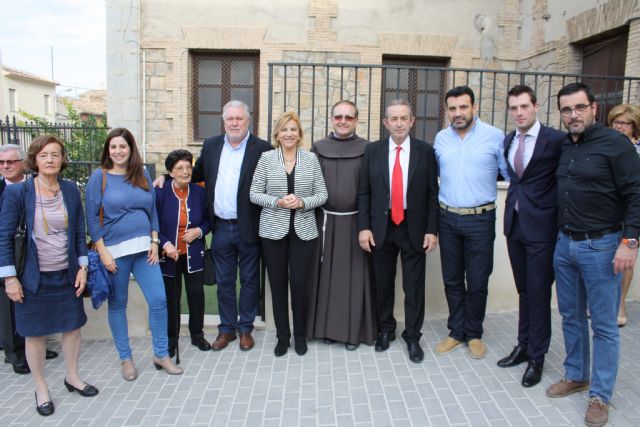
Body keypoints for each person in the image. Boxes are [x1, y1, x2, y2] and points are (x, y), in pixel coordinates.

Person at [547, 83, 640, 427]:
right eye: (567, 109)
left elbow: (636, 193)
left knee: (603, 326)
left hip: (603, 247)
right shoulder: (563, 147)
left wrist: (629, 242)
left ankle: (600, 394)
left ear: (594, 108)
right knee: (571, 316)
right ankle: (576, 375)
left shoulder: (616, 144)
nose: (573, 114)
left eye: (579, 107)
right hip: (565, 244)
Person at [154, 100, 271, 352]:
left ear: (248, 120)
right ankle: (227, 328)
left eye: (239, 118)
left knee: (250, 280)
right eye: (230, 119)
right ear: (223, 120)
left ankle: (246, 328)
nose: (234, 123)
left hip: (249, 226)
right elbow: (194, 174)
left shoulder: (262, 149)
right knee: (224, 280)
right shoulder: (212, 145)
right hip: (220, 227)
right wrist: (165, 176)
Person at [0, 135, 98, 417]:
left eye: (55, 154)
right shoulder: (19, 192)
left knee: (72, 328)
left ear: (62, 159)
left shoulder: (68, 190)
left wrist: (82, 266)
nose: (50, 160)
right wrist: (10, 278)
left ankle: (72, 377)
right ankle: (41, 387)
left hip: (66, 274)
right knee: (35, 334)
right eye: (44, 155)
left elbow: (79, 230)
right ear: (35, 160)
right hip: (32, 278)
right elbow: (4, 237)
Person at [86, 128, 182, 380]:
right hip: (115, 253)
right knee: (118, 305)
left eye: (123, 146)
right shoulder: (100, 177)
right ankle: (125, 358)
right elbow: (92, 219)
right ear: (108, 150)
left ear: (131, 149)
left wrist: (154, 242)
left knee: (159, 300)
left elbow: (152, 211)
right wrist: (103, 252)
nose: (118, 151)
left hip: (145, 251)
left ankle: (161, 354)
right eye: (113, 147)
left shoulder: (141, 175)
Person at [358, 99, 439, 363]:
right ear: (385, 123)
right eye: (394, 118)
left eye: (404, 118)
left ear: (412, 121)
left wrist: (432, 230)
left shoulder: (425, 152)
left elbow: (431, 194)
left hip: (413, 228)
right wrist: (364, 228)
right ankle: (386, 330)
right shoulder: (373, 151)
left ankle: (413, 336)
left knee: (414, 287)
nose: (399, 123)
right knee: (383, 283)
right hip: (381, 228)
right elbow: (364, 192)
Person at [497, 85, 565, 388]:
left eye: (524, 106)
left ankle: (538, 356)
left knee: (538, 294)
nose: (519, 112)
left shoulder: (555, 140)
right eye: (514, 108)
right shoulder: (509, 139)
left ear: (536, 106)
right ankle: (523, 346)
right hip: (515, 225)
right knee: (524, 290)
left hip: (542, 229)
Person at [433, 86, 508, 359]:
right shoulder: (441, 139)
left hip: (481, 218)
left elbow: (510, 173)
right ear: (447, 111)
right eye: (452, 108)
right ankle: (456, 331)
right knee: (452, 279)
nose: (458, 113)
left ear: (473, 107)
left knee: (477, 280)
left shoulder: (495, 136)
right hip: (447, 217)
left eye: (463, 107)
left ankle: (474, 333)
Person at [250, 111, 328, 357]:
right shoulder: (266, 159)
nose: (289, 134)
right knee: (278, 284)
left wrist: (302, 203)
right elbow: (254, 193)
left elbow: (322, 195)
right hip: (272, 231)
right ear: (277, 134)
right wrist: (278, 202)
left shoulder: (311, 160)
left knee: (299, 284)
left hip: (304, 231)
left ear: (299, 134)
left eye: (293, 129)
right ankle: (282, 336)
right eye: (284, 129)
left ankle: (300, 335)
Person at [307, 100, 376, 350]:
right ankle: (327, 329)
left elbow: (373, 188)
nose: (343, 121)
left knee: (355, 279)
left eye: (348, 117)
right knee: (326, 278)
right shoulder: (318, 147)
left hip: (358, 223)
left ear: (356, 120)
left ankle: (353, 333)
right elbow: (309, 183)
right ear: (331, 118)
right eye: (339, 117)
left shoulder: (368, 148)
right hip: (324, 222)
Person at [0, 144, 59, 375]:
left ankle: (33, 347)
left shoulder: (35, 185)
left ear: (24, 163)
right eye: (2, 162)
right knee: (7, 305)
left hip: (34, 253)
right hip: (7, 252)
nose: (6, 166)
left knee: (32, 301)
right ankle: (14, 353)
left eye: (11, 162)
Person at [156, 149, 212, 358]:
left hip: (194, 253)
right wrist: (164, 242)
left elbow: (209, 220)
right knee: (172, 299)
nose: (186, 171)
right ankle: (172, 340)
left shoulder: (199, 192)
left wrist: (199, 231)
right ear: (171, 171)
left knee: (196, 295)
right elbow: (152, 223)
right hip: (168, 256)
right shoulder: (160, 192)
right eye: (180, 168)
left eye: (188, 167)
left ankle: (197, 335)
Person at [607, 103, 640, 328]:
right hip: (610, 210)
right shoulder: (607, 145)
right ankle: (603, 303)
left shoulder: (637, 149)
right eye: (616, 122)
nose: (619, 126)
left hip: (631, 211)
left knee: (627, 259)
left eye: (624, 123)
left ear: (634, 126)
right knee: (607, 258)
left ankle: (620, 304)